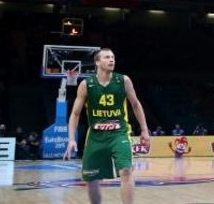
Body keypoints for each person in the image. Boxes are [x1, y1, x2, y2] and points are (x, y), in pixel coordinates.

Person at [64, 48, 150, 204]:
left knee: (126, 170)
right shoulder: (86, 84)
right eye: (107, 57)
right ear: (97, 62)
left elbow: (136, 104)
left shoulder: (123, 80)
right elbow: (75, 114)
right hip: (96, 136)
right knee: (92, 178)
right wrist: (71, 139)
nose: (111, 60)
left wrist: (144, 130)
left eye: (113, 57)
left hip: (119, 133)